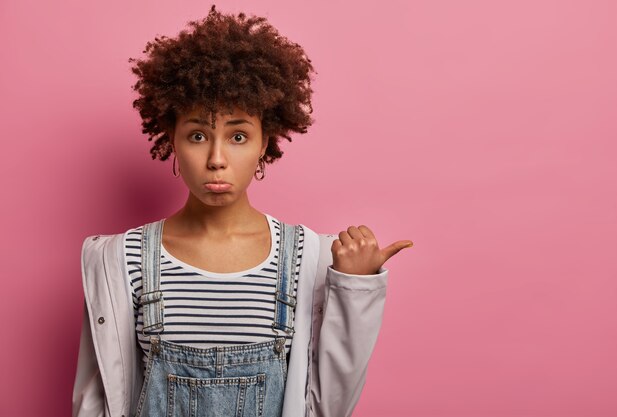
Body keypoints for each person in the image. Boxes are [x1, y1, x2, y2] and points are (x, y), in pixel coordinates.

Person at [72, 5, 413, 417]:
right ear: (172, 139)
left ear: (265, 142)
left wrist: (354, 288)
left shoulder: (309, 257)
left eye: (237, 135)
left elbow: (328, 408)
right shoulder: (118, 258)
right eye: (198, 135)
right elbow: (96, 403)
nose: (216, 158)